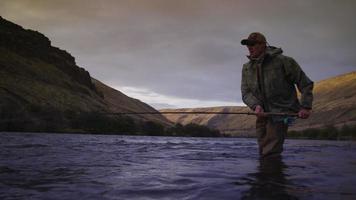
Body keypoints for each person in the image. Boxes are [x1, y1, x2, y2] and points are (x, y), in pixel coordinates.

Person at [240, 32, 313, 158]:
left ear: (263, 45)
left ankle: (270, 175)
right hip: (261, 114)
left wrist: (305, 106)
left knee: (270, 152)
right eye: (247, 45)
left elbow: (305, 83)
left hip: (282, 113)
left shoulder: (284, 61)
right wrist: (256, 106)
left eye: (253, 44)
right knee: (263, 151)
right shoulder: (247, 68)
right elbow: (245, 92)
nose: (249, 47)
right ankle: (270, 176)